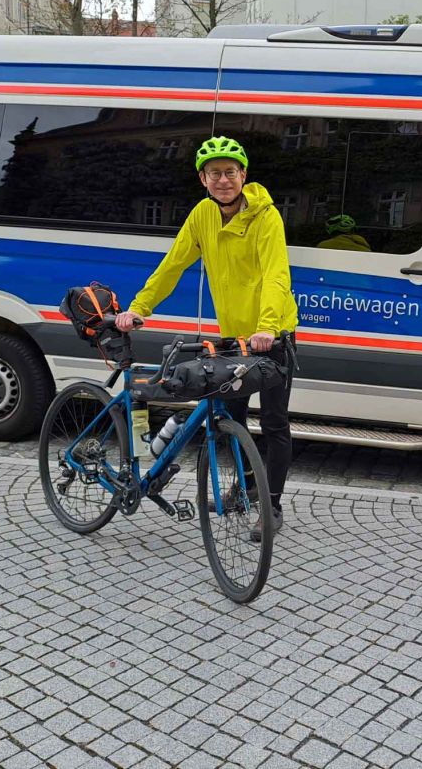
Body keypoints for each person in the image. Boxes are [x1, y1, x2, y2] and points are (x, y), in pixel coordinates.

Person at [115, 136, 298, 541]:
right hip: (232, 338)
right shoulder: (202, 215)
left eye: (230, 172)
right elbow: (173, 264)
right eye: (214, 173)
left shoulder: (266, 217)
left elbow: (275, 273)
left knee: (274, 421)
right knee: (232, 418)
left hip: (274, 335)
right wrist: (140, 307)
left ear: (243, 175)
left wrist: (268, 326)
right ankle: (242, 489)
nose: (223, 180)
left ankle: (272, 504)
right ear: (203, 179)